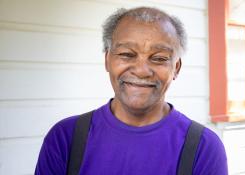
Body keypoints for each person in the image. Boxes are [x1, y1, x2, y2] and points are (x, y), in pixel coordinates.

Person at [35, 7, 228, 175]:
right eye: (127, 54)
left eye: (159, 58)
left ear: (176, 68)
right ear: (107, 60)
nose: (142, 70)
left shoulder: (203, 147)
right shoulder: (65, 138)